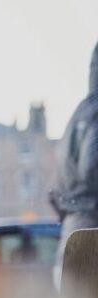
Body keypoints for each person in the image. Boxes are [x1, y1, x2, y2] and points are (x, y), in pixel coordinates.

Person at [50, 40, 98, 279]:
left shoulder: (79, 113)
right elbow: (92, 170)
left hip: (72, 238)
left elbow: (55, 192)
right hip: (93, 240)